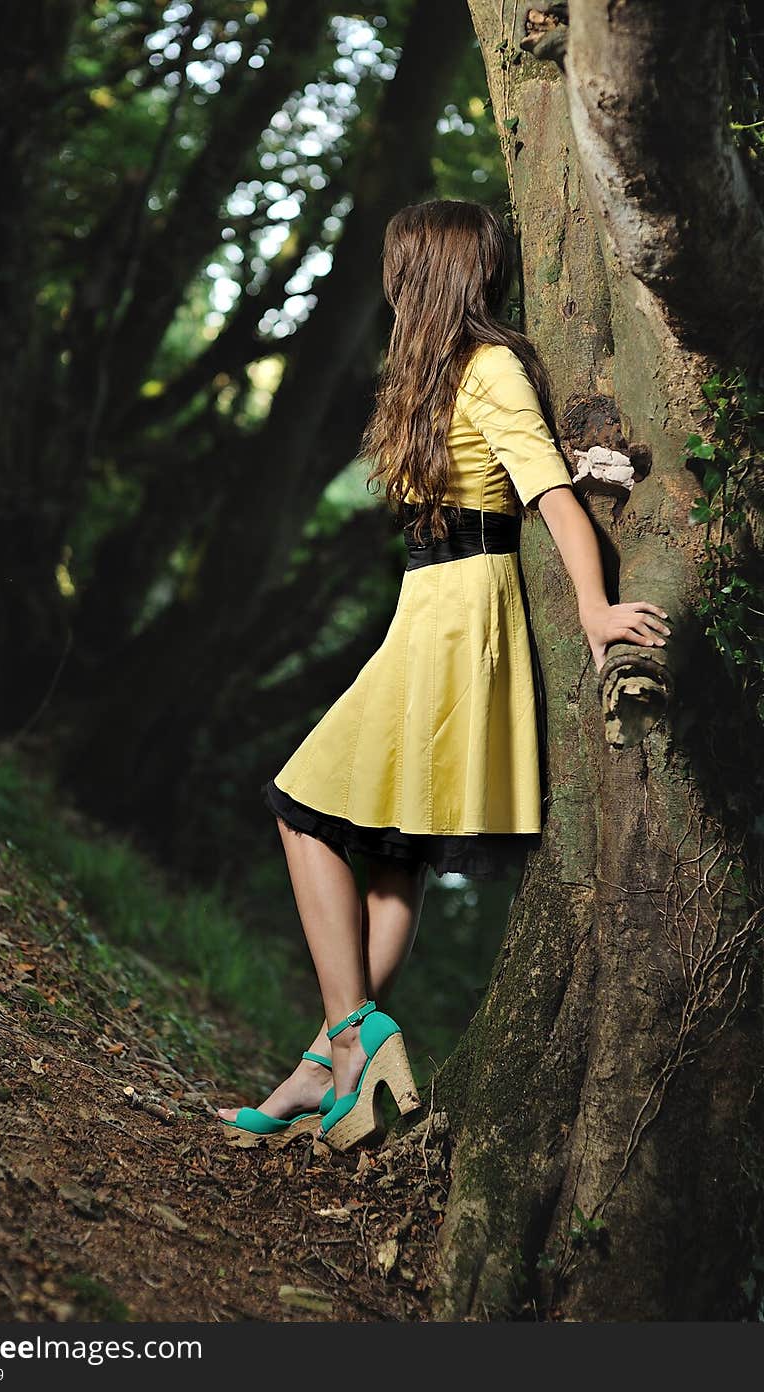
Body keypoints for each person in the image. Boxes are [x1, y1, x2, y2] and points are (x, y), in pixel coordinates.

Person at [218, 199, 670, 1154]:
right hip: (432, 606)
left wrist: (593, 613)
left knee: (300, 806)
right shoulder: (436, 373)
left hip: (462, 615)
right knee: (391, 856)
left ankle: (351, 1037)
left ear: (423, 272)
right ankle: (319, 1069)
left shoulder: (493, 368)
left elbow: (549, 493)